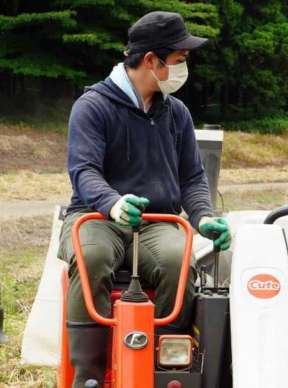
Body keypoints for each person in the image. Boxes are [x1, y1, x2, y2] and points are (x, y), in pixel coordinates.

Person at [57, 11, 230, 387]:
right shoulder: (93, 106)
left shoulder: (176, 113)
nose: (184, 68)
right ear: (151, 60)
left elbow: (193, 178)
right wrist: (112, 202)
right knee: (92, 258)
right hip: (96, 216)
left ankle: (163, 366)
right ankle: (88, 376)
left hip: (157, 222)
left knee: (177, 262)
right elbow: (84, 171)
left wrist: (203, 216)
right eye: (179, 61)